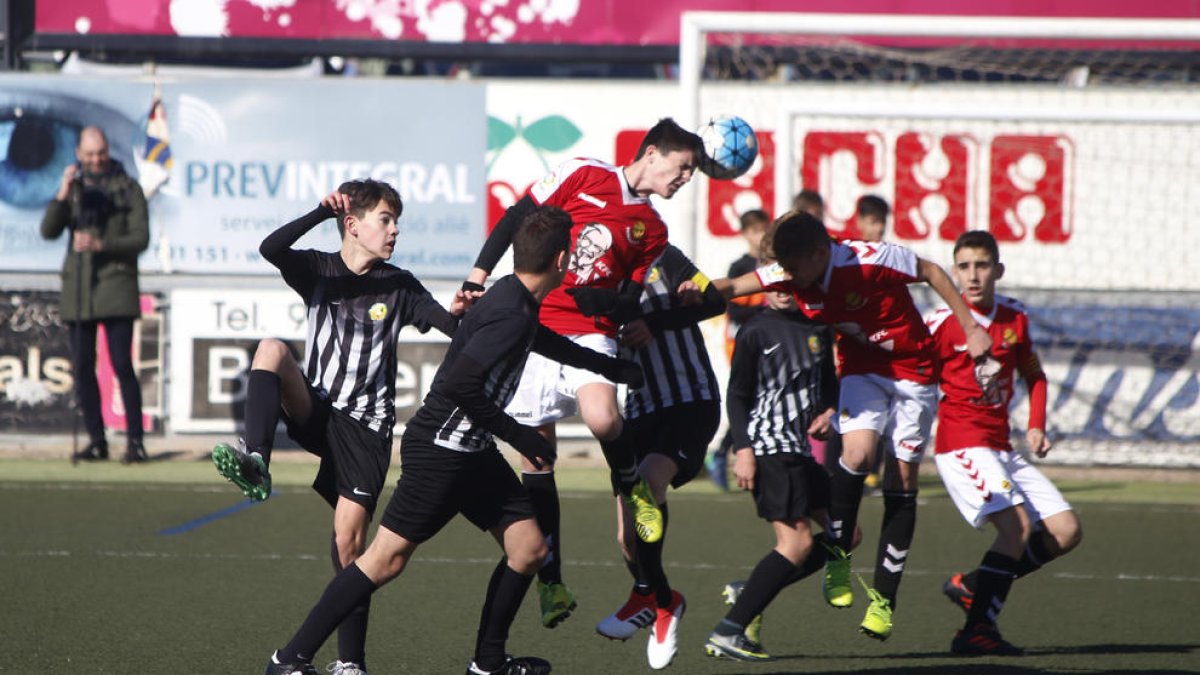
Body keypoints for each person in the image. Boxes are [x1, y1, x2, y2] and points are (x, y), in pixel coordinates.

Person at [262, 206, 644, 675]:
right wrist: (520, 434)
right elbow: (460, 386)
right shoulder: (509, 310)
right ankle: (290, 658)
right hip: (441, 451)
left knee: (528, 549)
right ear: (562, 260)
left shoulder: (514, 298)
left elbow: (537, 338)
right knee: (384, 561)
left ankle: (487, 663)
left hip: (473, 452)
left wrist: (606, 366)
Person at [212, 179, 473, 675]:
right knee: (271, 349)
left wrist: (462, 314)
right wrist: (317, 211)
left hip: (366, 431)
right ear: (352, 225)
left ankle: (349, 663)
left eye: (397, 221)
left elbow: (449, 327)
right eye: (385, 220)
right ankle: (257, 461)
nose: (395, 230)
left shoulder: (400, 284)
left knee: (350, 546)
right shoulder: (318, 269)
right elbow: (271, 248)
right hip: (319, 410)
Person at [462, 118, 704, 628]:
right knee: (537, 457)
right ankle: (551, 582)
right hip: (536, 326)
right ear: (654, 153)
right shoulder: (582, 174)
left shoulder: (653, 229)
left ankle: (631, 486)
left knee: (603, 418)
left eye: (692, 172)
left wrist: (614, 306)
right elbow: (515, 220)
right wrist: (477, 278)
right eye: (683, 167)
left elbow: (629, 300)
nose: (685, 178)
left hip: (590, 330)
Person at [713, 210, 992, 641]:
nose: (786, 276)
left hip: (913, 370)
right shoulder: (793, 270)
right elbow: (729, 287)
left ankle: (884, 599)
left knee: (902, 478)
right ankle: (839, 555)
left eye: (793, 267)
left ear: (820, 254)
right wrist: (680, 295)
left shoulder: (869, 259)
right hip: (863, 367)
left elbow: (932, 271)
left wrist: (970, 327)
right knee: (857, 454)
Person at [927, 231, 1082, 655]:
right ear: (954, 270)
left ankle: (973, 586)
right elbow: (911, 374)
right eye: (963, 266)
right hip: (960, 444)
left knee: (1066, 532)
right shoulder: (941, 322)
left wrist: (1036, 425)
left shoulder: (1014, 318)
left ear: (998, 270)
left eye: (981, 265)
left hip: (1001, 447)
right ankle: (975, 632)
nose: (972, 276)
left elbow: (1034, 374)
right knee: (1015, 527)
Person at [594, 244, 726, 669]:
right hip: (639, 409)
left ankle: (646, 598)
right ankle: (665, 602)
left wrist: (659, 317)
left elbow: (715, 299)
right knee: (627, 537)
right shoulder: (588, 276)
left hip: (690, 399)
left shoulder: (662, 255)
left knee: (650, 479)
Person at [705, 266, 843, 662]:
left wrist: (830, 411)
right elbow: (737, 396)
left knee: (846, 533)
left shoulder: (818, 327)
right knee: (796, 543)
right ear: (764, 282)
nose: (783, 289)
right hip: (768, 449)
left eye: (790, 279)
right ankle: (728, 631)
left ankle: (750, 591)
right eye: (775, 280)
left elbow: (829, 382)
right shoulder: (755, 330)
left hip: (798, 450)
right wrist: (743, 449)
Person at [40, 126, 150, 465]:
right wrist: (61, 193)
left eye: (100, 153)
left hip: (116, 286)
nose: (96, 159)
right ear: (78, 154)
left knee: (121, 365)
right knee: (83, 367)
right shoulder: (73, 189)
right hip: (80, 290)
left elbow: (140, 239)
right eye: (89, 154)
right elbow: (48, 231)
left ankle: (135, 442)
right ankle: (96, 440)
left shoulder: (128, 188)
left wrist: (102, 245)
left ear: (107, 150)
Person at [707, 209, 770, 491]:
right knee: (747, 399)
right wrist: (763, 310)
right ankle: (721, 452)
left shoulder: (774, 263)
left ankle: (732, 453)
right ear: (745, 234)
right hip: (742, 344)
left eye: (763, 230)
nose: (759, 236)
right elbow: (731, 306)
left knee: (760, 402)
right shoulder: (739, 266)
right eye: (754, 231)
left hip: (770, 344)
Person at [854, 194, 892, 493]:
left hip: (883, 352)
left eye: (882, 223)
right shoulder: (850, 258)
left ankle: (873, 475)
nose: (878, 229)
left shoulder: (890, 258)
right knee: (846, 418)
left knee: (882, 415)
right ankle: (840, 473)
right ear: (860, 223)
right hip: (852, 351)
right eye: (872, 222)